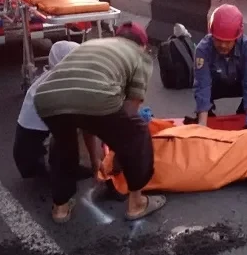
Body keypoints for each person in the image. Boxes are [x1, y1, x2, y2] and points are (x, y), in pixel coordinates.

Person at [33, 22, 166, 224]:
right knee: (138, 132)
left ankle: (61, 207)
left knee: (62, 142)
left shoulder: (93, 44)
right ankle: (137, 202)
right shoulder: (140, 57)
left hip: (47, 97)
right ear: (142, 46)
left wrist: (96, 162)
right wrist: (121, 159)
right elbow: (129, 115)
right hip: (94, 97)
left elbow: (87, 118)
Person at [13, 41, 102, 180]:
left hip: (27, 150)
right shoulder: (62, 88)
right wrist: (95, 163)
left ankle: (62, 165)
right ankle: (63, 170)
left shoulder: (52, 77)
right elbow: (88, 129)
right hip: (31, 160)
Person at [193, 4, 247, 128]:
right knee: (200, 86)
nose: (223, 45)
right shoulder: (203, 49)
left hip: (237, 83)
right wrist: (202, 123)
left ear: (237, 37)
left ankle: (245, 114)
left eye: (228, 42)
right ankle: (207, 115)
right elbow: (203, 84)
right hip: (214, 85)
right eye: (218, 40)